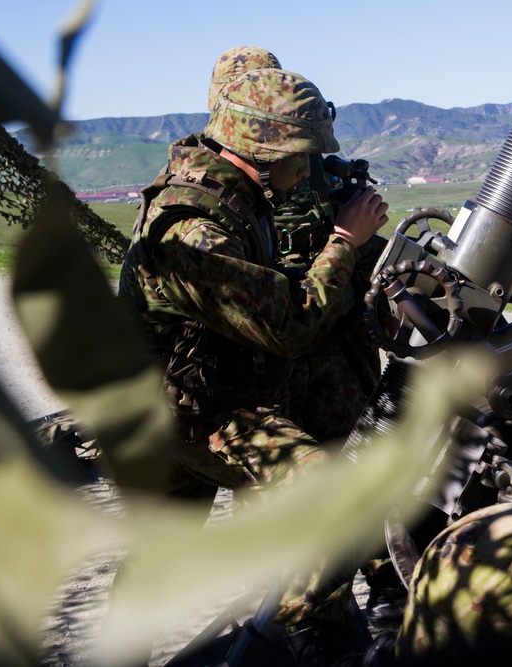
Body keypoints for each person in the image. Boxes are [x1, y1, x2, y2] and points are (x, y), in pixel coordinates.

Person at [118, 67, 390, 663]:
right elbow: (289, 324)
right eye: (302, 156)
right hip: (182, 407)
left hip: (199, 386)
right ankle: (299, 643)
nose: (308, 172)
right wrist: (345, 239)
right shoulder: (191, 229)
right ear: (263, 151)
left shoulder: (238, 195)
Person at [206, 45, 406, 631]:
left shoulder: (326, 176)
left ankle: (378, 606)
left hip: (340, 368)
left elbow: (370, 274)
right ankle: (302, 626)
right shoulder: (220, 198)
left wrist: (373, 282)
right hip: (271, 375)